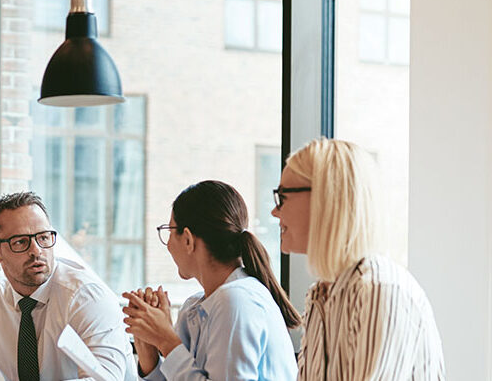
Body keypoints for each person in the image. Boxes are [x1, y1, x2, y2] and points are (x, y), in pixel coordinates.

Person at [0, 192, 136, 381]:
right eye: (21, 242)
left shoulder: (86, 296)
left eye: (43, 238)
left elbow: (104, 379)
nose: (37, 251)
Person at [274, 138, 445, 379]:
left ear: (326, 197)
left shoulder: (378, 290)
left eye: (283, 196)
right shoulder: (320, 295)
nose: (275, 211)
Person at [122, 180, 298, 380]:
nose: (168, 245)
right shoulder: (195, 307)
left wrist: (166, 340)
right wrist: (149, 352)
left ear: (188, 240)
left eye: (169, 231)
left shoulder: (236, 301)